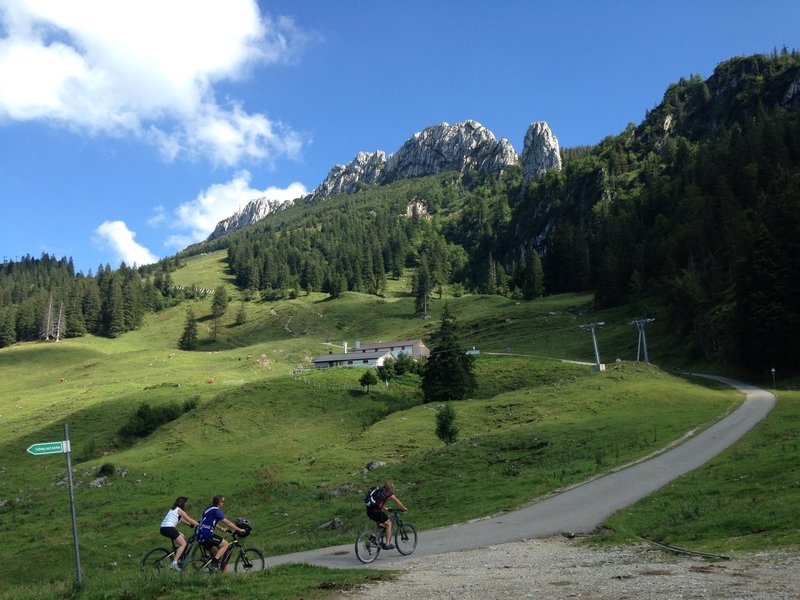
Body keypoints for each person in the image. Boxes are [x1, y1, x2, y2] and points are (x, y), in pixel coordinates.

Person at [195, 495, 246, 569]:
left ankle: (216, 569)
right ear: (219, 502)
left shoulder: (208, 509)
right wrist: (239, 529)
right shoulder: (216, 511)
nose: (224, 503)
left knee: (216, 551)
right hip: (207, 534)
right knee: (225, 544)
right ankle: (214, 563)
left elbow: (210, 522)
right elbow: (227, 522)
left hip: (200, 534)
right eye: (223, 501)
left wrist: (221, 528)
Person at [159, 496, 199, 571]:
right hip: (169, 528)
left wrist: (190, 525)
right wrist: (199, 525)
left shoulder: (172, 509)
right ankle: (174, 563)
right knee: (183, 544)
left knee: (182, 536)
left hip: (163, 528)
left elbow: (181, 519)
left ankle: (177, 552)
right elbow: (189, 519)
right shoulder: (180, 510)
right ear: (182, 504)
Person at [365, 480, 408, 549]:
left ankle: (371, 540)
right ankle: (387, 544)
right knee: (389, 523)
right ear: (390, 487)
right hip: (376, 512)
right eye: (392, 488)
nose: (392, 490)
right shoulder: (388, 492)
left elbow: (378, 502)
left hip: (369, 511)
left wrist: (385, 508)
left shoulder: (379, 490)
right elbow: (396, 500)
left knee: (381, 525)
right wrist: (404, 508)